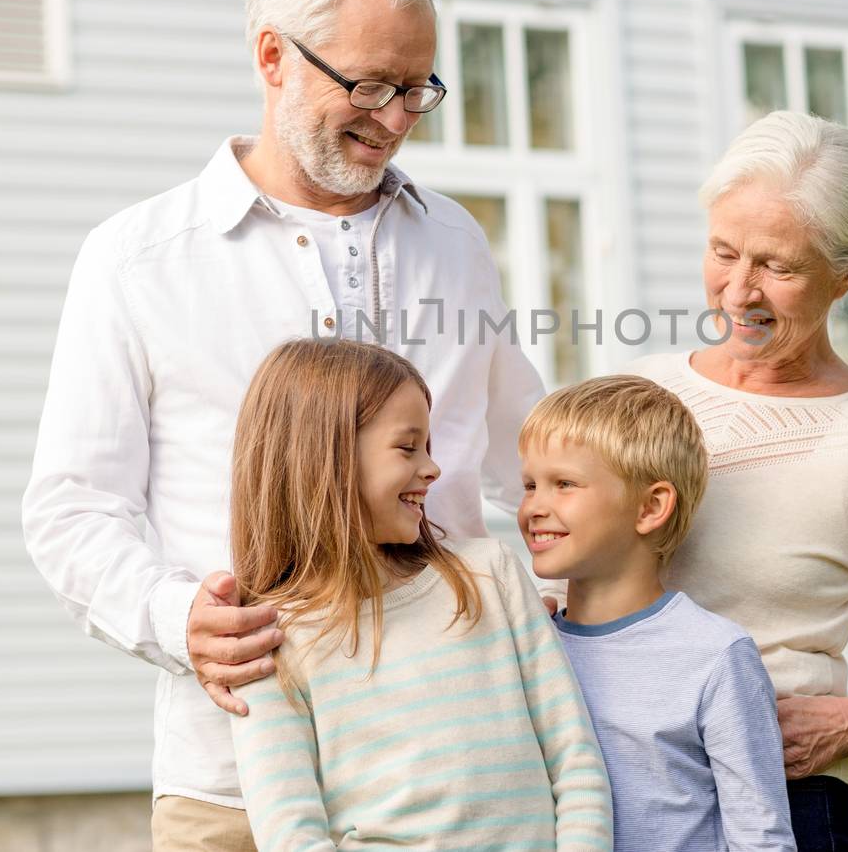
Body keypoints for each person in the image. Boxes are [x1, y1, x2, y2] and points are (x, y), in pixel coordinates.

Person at [21, 0, 547, 852]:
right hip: (237, 782)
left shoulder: (456, 242)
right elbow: (72, 508)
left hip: (460, 779)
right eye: (370, 85)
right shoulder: (136, 259)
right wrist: (176, 619)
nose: (395, 118)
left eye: (417, 88)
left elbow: (533, 459)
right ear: (273, 55)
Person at [630, 111, 848, 852]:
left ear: (847, 274)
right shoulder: (638, 396)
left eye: (778, 267)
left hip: (782, 796)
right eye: (723, 252)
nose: (738, 290)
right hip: (625, 781)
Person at [228, 339, 612, 851]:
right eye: (408, 447)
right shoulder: (270, 644)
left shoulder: (490, 576)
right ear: (327, 457)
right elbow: (292, 835)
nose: (432, 469)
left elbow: (576, 762)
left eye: (429, 447)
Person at [518, 374, 795, 852]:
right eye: (529, 485)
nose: (534, 507)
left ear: (650, 507)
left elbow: (761, 834)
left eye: (564, 484)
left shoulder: (715, 656)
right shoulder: (527, 645)